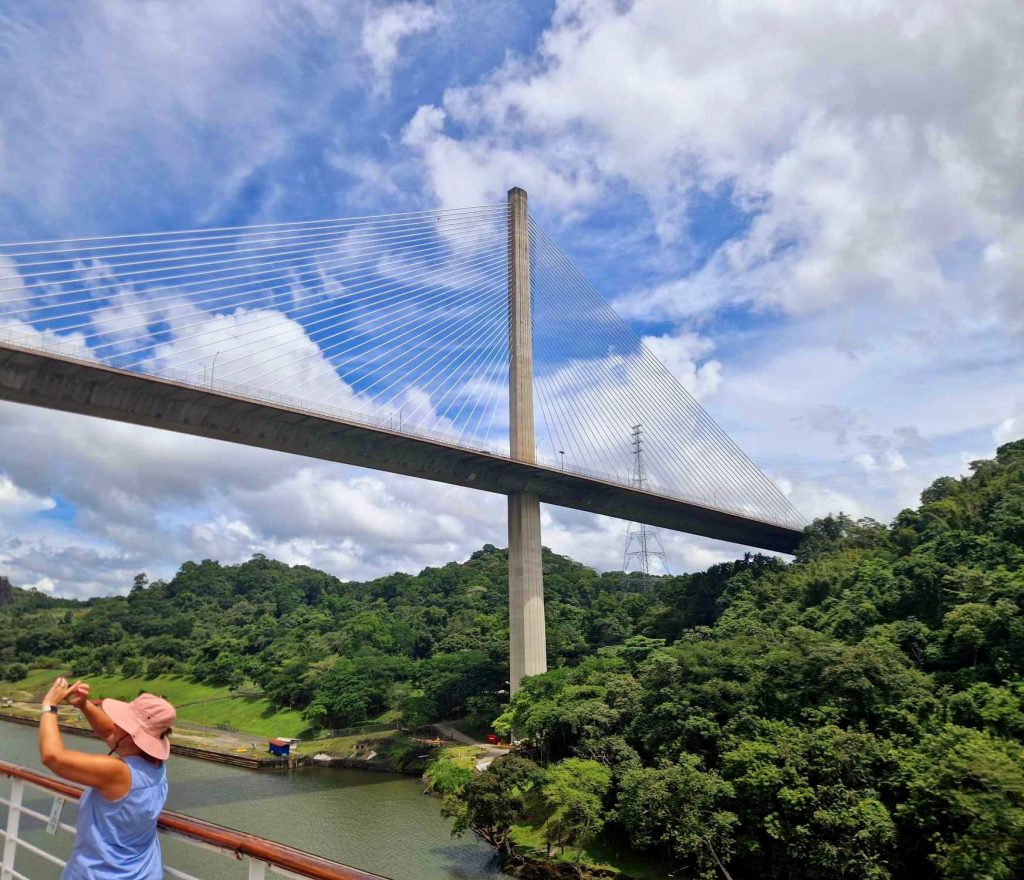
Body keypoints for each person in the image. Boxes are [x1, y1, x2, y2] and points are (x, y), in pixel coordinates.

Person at [37, 676, 176, 879]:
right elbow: (112, 734)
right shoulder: (155, 766)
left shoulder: (118, 772)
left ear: (131, 735)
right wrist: (84, 705)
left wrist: (49, 706)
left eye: (122, 722)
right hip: (144, 872)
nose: (115, 724)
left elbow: (53, 757)